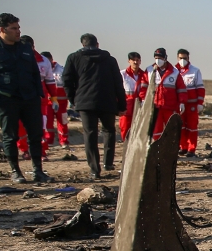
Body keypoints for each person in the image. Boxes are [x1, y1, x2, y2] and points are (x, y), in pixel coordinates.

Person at [0, 13, 52, 183]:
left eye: (19, 28)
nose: (18, 32)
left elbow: (34, 71)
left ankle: (38, 171)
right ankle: (15, 171)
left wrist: (39, 94)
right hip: (6, 98)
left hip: (30, 98)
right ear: (2, 30)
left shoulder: (25, 47)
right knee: (10, 136)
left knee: (35, 135)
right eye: (14, 28)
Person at [62, 33, 125, 179]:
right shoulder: (109, 60)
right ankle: (108, 163)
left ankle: (94, 170)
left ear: (82, 45)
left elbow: (67, 81)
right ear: (97, 44)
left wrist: (74, 99)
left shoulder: (74, 58)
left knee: (90, 134)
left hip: (85, 102)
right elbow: (118, 84)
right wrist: (121, 105)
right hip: (107, 101)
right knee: (109, 131)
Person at [18, 36, 56, 159]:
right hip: (19, 98)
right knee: (20, 127)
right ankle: (24, 150)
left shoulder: (43, 61)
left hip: (40, 100)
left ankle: (41, 151)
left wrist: (54, 98)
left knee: (40, 127)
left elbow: (50, 81)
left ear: (33, 47)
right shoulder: (14, 58)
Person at [145, 48, 187, 141]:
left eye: (160, 57)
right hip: (155, 107)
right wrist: (144, 100)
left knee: (171, 130)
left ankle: (171, 150)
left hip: (170, 107)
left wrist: (182, 102)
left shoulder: (174, 72)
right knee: (156, 130)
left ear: (165, 58)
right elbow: (143, 87)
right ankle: (156, 149)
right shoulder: (149, 70)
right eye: (156, 57)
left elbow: (181, 89)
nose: (157, 60)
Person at [173, 49, 203, 157]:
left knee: (192, 127)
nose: (182, 60)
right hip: (179, 104)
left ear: (188, 58)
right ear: (177, 58)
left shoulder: (195, 71)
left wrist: (200, 102)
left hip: (192, 105)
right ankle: (183, 147)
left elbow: (200, 88)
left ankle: (191, 149)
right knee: (180, 127)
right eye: (180, 58)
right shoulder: (173, 71)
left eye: (185, 58)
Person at [42, 51, 71, 149]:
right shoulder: (43, 69)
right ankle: (49, 141)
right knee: (48, 123)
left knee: (63, 122)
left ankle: (64, 141)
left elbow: (67, 85)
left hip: (62, 103)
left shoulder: (61, 70)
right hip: (48, 103)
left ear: (51, 59)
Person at [118, 52, 147, 142]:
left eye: (137, 60)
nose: (135, 62)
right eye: (133, 60)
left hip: (139, 106)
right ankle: (126, 146)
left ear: (140, 61)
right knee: (125, 128)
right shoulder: (123, 74)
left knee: (139, 129)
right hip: (126, 107)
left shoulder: (144, 75)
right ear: (129, 61)